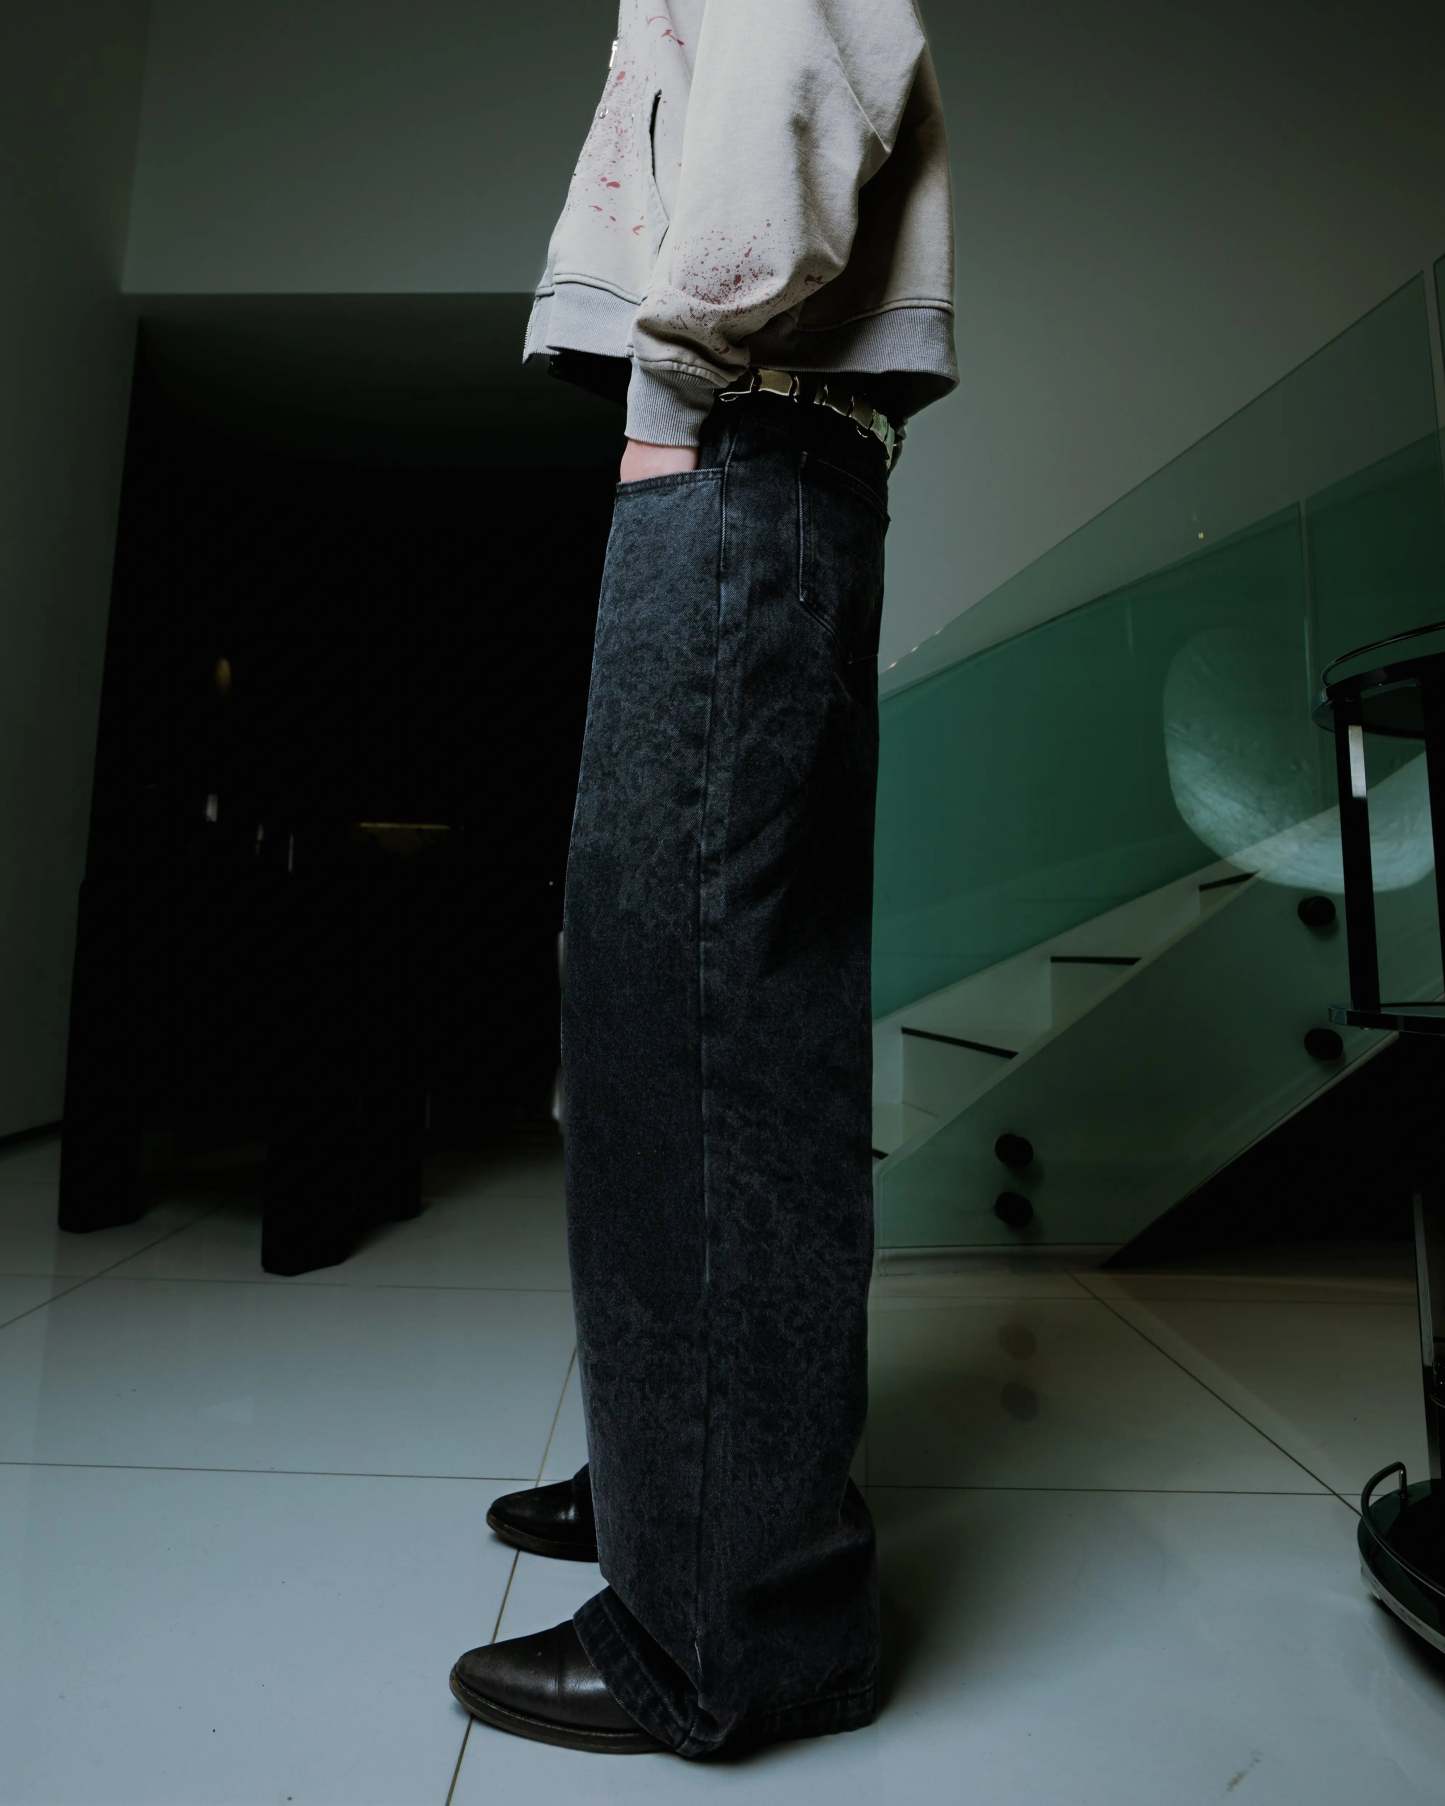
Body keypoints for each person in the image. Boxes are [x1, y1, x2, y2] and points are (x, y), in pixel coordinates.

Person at [449, 0, 958, 1761]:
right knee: (690, 1017)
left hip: (737, 437)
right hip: (767, 451)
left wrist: (670, 390)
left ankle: (725, 1631)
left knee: (695, 1030)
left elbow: (794, 75)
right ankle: (682, 1490)